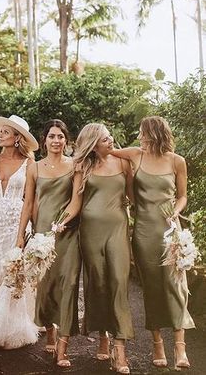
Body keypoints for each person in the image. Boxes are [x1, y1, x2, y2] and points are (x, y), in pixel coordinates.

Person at [110, 116, 194, 370]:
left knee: (176, 286)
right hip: (144, 231)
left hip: (170, 231)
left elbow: (182, 196)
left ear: (154, 134)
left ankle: (180, 348)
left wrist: (175, 211)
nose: (138, 136)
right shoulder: (136, 155)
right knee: (152, 287)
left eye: (142, 132)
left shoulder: (177, 161)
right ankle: (157, 344)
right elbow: (105, 149)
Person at [16, 119, 81, 368]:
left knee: (69, 284)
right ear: (44, 140)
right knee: (46, 287)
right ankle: (50, 331)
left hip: (67, 234)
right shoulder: (34, 167)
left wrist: (61, 223)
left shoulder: (75, 166)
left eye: (61, 136)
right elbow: (28, 203)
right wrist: (21, 234)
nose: (56, 140)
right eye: (52, 136)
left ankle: (63, 348)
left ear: (66, 140)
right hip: (42, 234)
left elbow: (76, 201)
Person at [74, 123, 134, 374]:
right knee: (97, 283)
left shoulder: (123, 163)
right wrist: (55, 225)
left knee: (119, 283)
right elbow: (74, 204)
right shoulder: (83, 167)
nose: (111, 142)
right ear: (93, 145)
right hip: (90, 233)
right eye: (104, 140)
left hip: (118, 231)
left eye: (111, 137)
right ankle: (103, 337)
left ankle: (120, 352)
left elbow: (133, 197)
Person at [0, 115, 38, 349]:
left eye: (5, 132)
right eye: (0, 131)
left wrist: (25, 232)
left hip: (16, 222)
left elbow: (30, 201)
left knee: (13, 271)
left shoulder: (29, 164)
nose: (0, 135)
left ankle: (11, 327)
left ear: (17, 138)